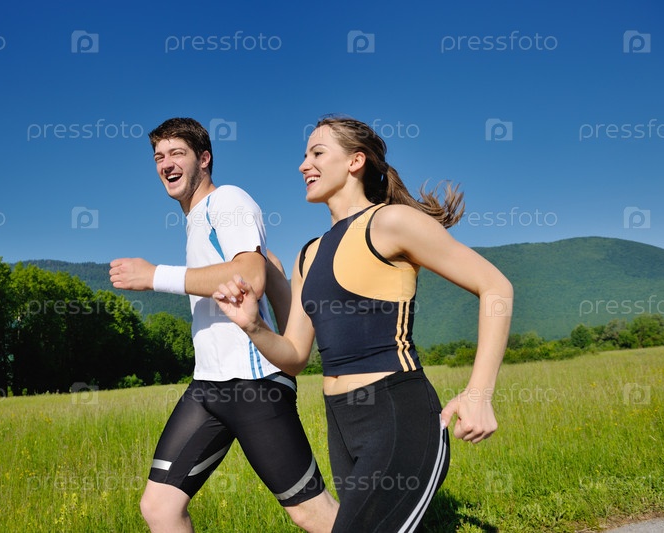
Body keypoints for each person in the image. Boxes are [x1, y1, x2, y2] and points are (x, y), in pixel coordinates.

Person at [214, 116, 513, 532]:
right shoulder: (308, 255)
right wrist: (253, 327)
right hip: (341, 423)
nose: (304, 165)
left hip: (397, 416)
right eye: (304, 155)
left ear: (356, 161)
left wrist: (479, 393)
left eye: (317, 153)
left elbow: (495, 287)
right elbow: (297, 357)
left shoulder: (390, 223)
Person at [109, 117, 338, 532]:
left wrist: (154, 276)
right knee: (159, 507)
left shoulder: (227, 201)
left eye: (177, 153)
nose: (166, 164)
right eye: (159, 157)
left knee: (311, 513)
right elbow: (263, 269)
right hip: (208, 387)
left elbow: (249, 276)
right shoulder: (197, 220)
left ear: (205, 158)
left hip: (254, 385)